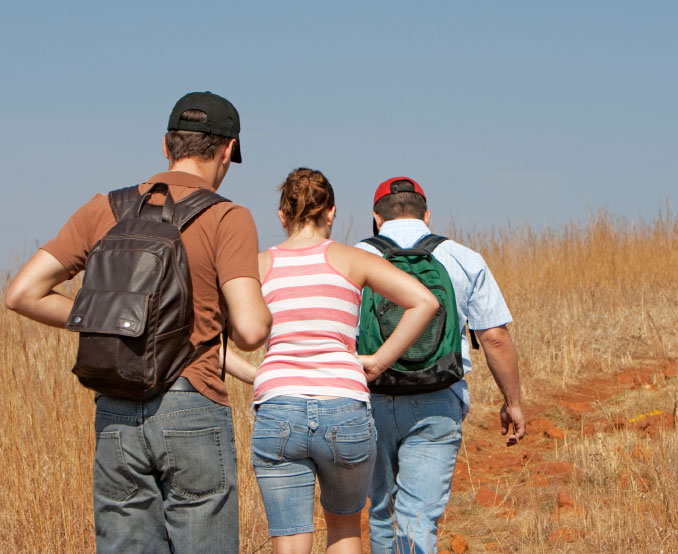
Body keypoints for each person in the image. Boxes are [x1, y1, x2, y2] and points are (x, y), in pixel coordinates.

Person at [5, 91, 272, 554]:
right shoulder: (228, 216)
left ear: (166, 145)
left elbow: (21, 294)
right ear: (227, 150)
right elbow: (250, 330)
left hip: (115, 409)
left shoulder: (103, 209)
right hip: (191, 402)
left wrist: (116, 318)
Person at [224, 168, 438, 554]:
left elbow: (208, 339)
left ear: (282, 216)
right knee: (344, 529)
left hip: (278, 407)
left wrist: (260, 375)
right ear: (332, 213)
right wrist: (377, 362)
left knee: (289, 539)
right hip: (344, 407)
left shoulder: (256, 268)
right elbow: (425, 301)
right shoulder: (352, 259)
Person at [355, 176, 526, 554]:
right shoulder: (463, 258)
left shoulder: (350, 257)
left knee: (381, 512)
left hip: (369, 400)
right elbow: (495, 337)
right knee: (418, 518)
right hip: (438, 400)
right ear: (427, 215)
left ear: (375, 218)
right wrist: (512, 402)